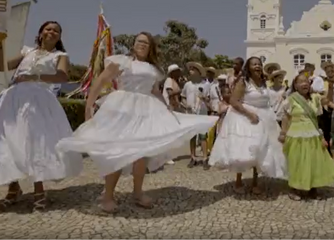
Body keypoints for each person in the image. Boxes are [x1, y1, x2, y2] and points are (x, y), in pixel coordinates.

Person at [56, 32, 217, 213]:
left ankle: (138, 192)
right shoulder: (122, 61)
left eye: (146, 43)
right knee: (119, 151)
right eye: (139, 41)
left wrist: (166, 109)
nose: (142, 44)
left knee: (142, 154)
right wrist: (89, 106)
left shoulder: (153, 69)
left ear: (150, 48)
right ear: (133, 44)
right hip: (122, 108)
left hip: (146, 110)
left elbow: (155, 91)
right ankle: (108, 195)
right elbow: (101, 81)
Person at [0, 21, 83, 212]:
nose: (51, 32)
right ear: (40, 33)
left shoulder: (59, 56)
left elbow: (62, 77)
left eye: (56, 30)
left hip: (38, 100)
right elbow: (2, 66)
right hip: (12, 99)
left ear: (59, 37)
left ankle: (39, 192)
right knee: (5, 140)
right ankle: (13, 188)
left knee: (36, 143)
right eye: (48, 29)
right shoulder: (26, 52)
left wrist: (34, 78)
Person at [209, 57, 287, 194]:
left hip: (265, 117)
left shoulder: (263, 82)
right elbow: (233, 100)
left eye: (259, 64)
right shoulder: (243, 81)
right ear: (248, 67)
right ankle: (238, 181)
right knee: (244, 150)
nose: (257, 66)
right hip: (245, 116)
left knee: (262, 150)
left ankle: (255, 182)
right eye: (254, 64)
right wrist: (249, 114)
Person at [279, 73, 334, 200]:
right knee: (297, 161)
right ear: (295, 85)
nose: (304, 83)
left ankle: (313, 186)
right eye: (300, 81)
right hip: (296, 134)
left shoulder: (315, 98)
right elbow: (286, 117)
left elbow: (328, 101)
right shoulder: (291, 99)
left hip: (312, 133)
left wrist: (331, 86)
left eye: (306, 81)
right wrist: (283, 133)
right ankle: (295, 188)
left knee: (313, 160)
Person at [182, 62, 212, 170]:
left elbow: (209, 99)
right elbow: (183, 97)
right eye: (190, 69)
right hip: (191, 114)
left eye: (192, 69)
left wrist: (204, 98)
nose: (190, 71)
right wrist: (186, 106)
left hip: (202, 113)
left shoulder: (206, 84)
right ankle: (193, 157)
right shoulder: (187, 85)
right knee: (192, 136)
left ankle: (204, 158)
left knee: (203, 136)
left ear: (198, 71)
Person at [163, 64, 183, 165]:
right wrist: (179, 91)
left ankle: (168, 155)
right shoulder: (169, 81)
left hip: (172, 108)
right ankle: (166, 156)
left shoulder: (175, 81)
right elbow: (170, 94)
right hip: (167, 108)